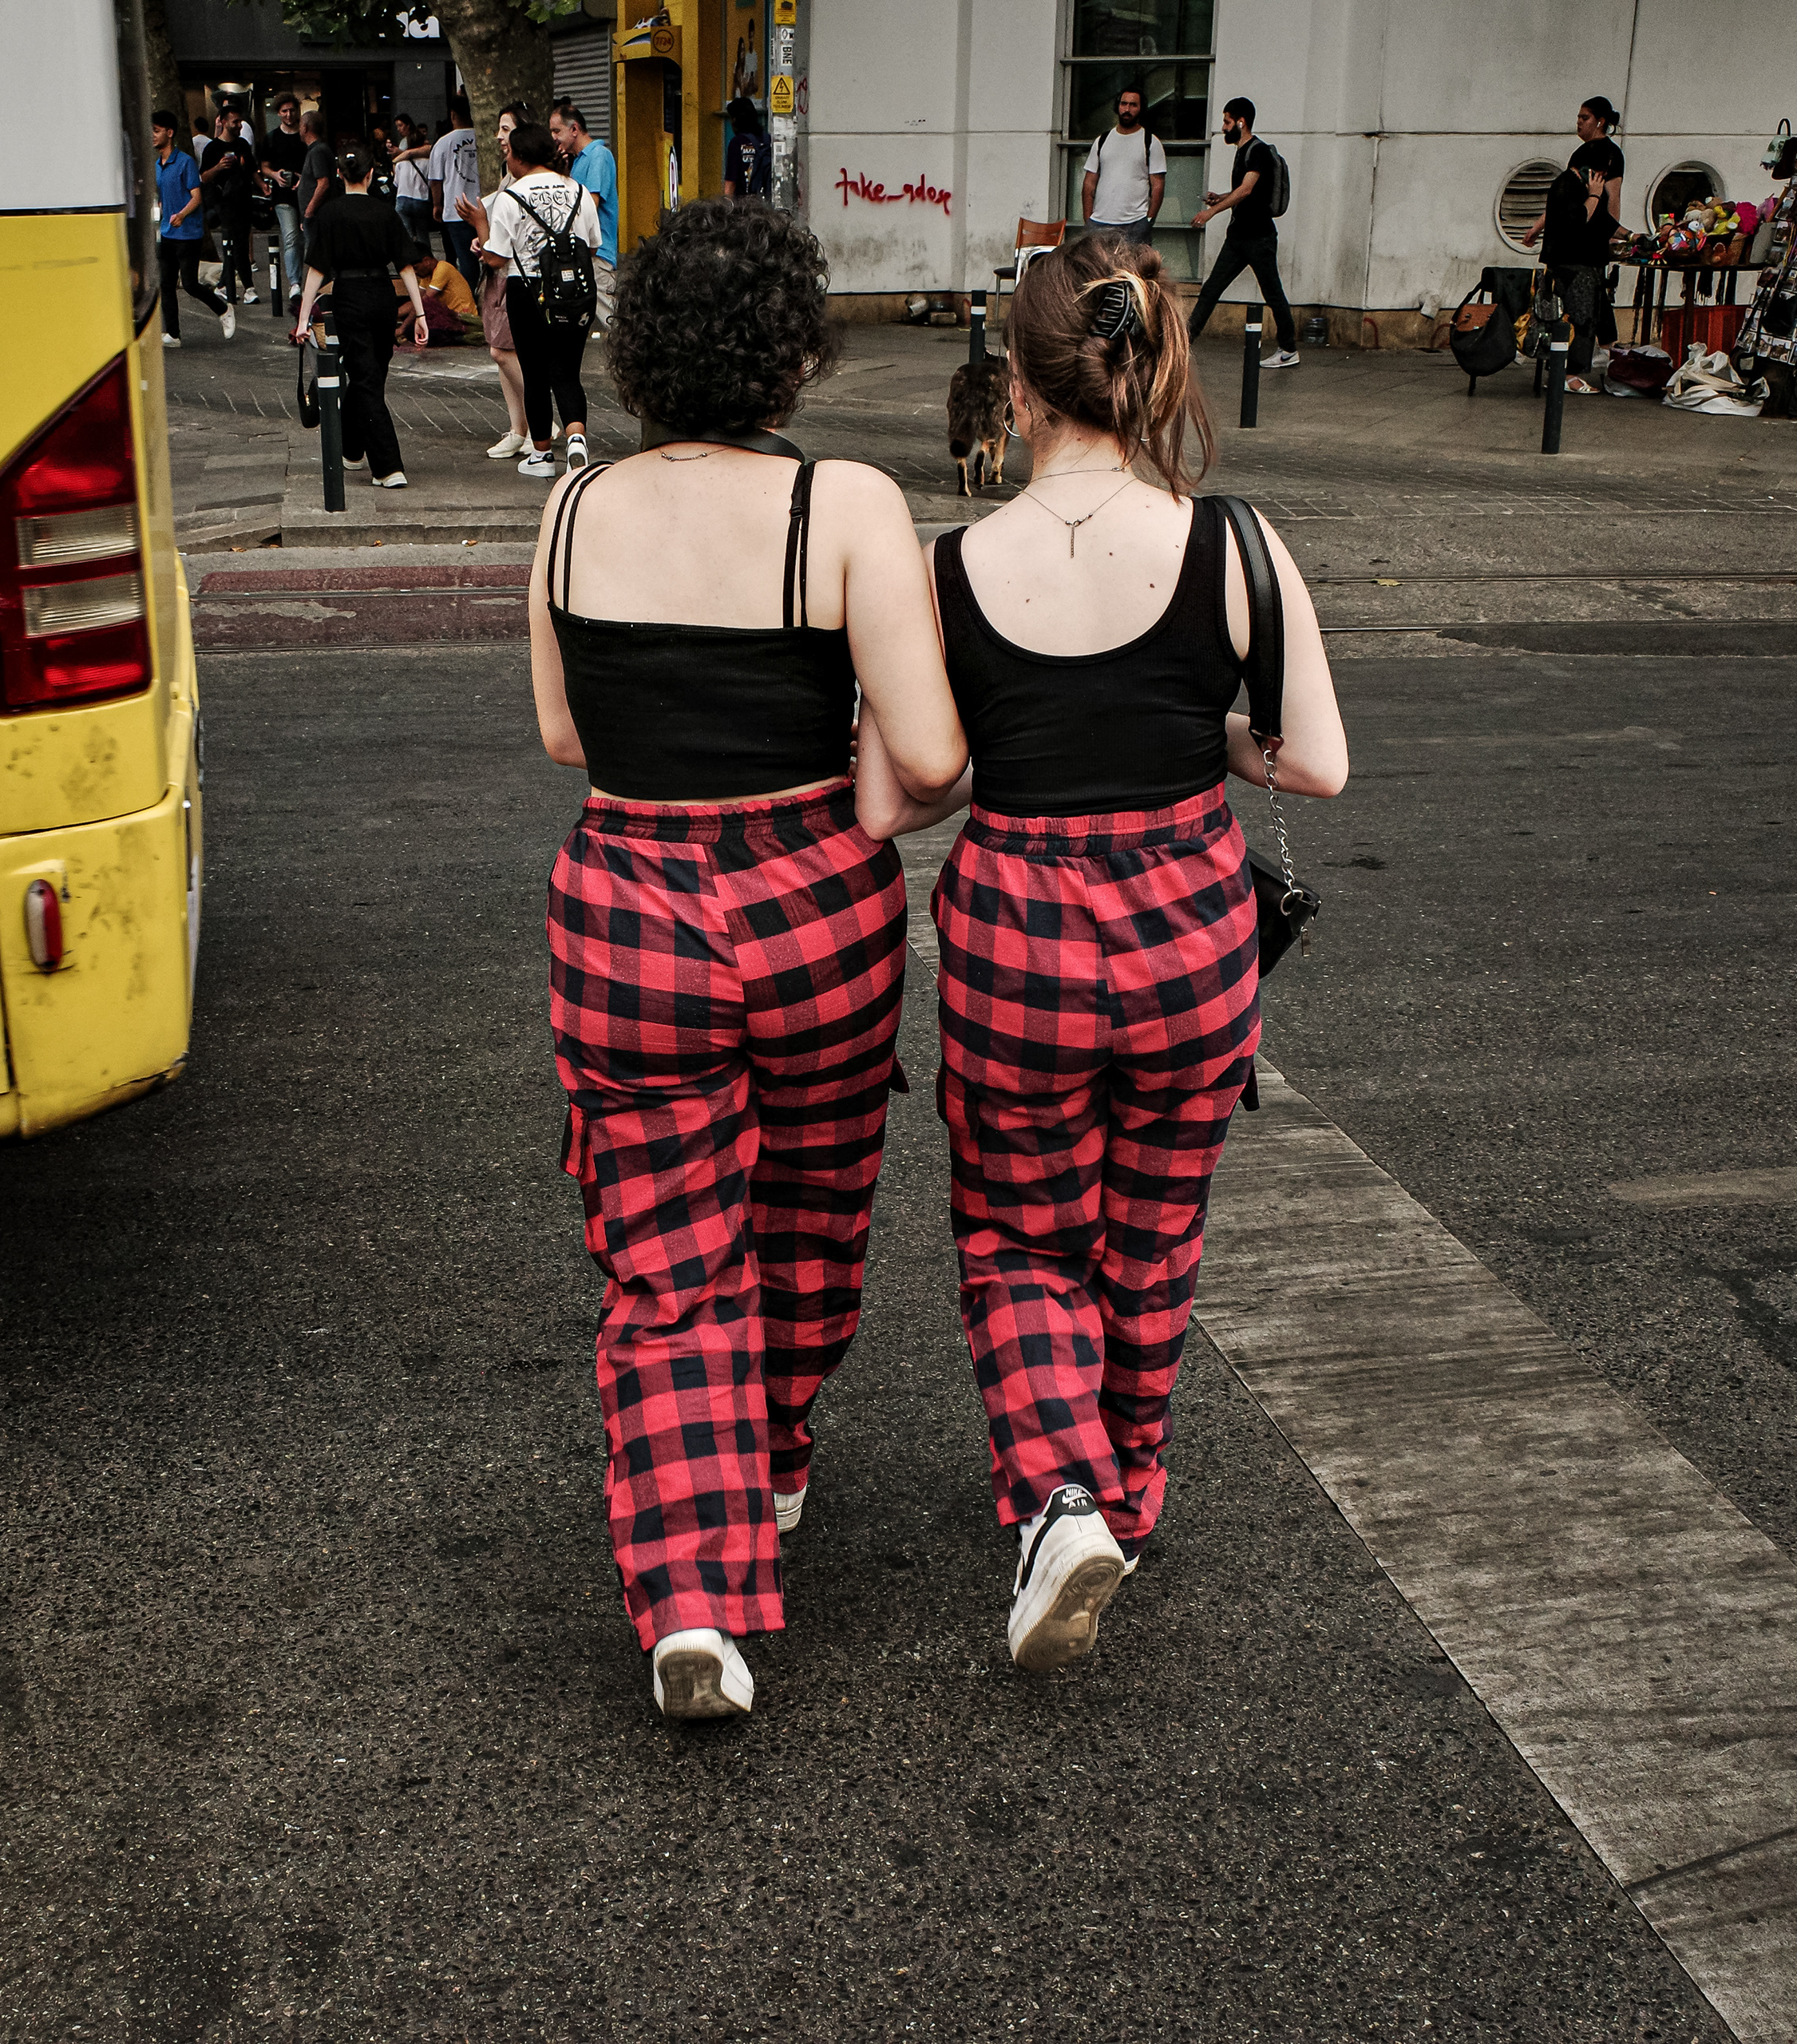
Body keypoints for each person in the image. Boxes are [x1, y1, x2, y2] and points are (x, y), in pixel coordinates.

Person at [863, 233, 1347, 1675]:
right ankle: (1125, 1490)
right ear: (1146, 372)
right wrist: (1200, 734)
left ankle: (1057, 1495)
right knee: (1153, 1232)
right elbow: (1316, 764)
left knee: (1021, 1236)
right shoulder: (1239, 544)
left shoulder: (950, 569)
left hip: (1016, 931)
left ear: (1017, 389)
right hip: (1192, 931)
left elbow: (897, 797)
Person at [528, 198, 964, 1721]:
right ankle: (770, 1451)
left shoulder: (570, 508)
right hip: (814, 904)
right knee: (812, 1205)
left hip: (626, 905)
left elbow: (565, 736)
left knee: (664, 1260)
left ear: (640, 351)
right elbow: (929, 757)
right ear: (794, 353)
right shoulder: (845, 505)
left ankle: (690, 1601)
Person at [295, 151, 430, 489]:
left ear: (340, 174)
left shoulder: (329, 213)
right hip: (382, 296)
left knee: (365, 376)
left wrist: (303, 318)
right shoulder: (385, 211)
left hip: (349, 297)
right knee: (371, 375)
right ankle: (381, 462)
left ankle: (361, 452)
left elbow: (316, 270)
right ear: (370, 174)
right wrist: (420, 313)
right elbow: (406, 266)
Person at [485, 122, 603, 478]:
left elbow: (497, 257)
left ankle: (541, 455)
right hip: (574, 291)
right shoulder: (577, 190)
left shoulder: (510, 196)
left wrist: (479, 230)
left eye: (508, 152)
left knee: (535, 374)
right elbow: (592, 245)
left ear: (520, 156)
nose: (506, 158)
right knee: (567, 372)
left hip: (528, 291)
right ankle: (577, 439)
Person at [1186, 96, 1296, 369]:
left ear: (1241, 122)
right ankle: (1184, 342)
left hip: (1259, 238)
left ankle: (1289, 350)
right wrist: (1221, 197)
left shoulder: (1258, 151)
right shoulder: (1243, 151)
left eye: (1227, 122)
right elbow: (1244, 192)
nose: (1223, 127)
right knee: (1211, 289)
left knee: (1273, 293)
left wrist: (1212, 212)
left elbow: (1247, 190)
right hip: (1238, 238)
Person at [1531, 96, 1624, 393]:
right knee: (1579, 304)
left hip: (1589, 239)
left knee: (1591, 301)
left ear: (1600, 121)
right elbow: (1565, 203)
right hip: (1572, 241)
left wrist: (1611, 233)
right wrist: (1539, 226)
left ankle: (1605, 353)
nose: (1579, 123)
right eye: (1579, 117)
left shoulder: (1610, 155)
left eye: (1585, 118)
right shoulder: (1579, 158)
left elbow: (1612, 198)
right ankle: (1582, 362)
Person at [464, 104, 536, 459]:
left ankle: (541, 421)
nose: (498, 137)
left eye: (505, 129)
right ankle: (518, 429)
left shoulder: (528, 182)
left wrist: (481, 226)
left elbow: (511, 243)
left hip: (516, 275)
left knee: (503, 351)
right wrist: (483, 236)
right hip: (498, 274)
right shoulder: (508, 177)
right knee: (500, 352)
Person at [152, 110, 232, 347]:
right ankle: (173, 334)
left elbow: (197, 197)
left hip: (188, 233)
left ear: (170, 132)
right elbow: (165, 196)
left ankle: (223, 309)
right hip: (167, 232)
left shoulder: (185, 162)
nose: (152, 135)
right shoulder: (158, 165)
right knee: (166, 285)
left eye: (156, 131)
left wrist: (182, 214)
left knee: (190, 285)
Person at [550, 99, 620, 327]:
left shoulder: (598, 155)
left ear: (574, 129)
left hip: (598, 253)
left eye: (557, 131)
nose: (553, 137)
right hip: (582, 251)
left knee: (613, 317)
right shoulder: (577, 161)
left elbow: (591, 203)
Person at [1079, 85, 1165, 248]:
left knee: (1134, 265)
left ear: (1141, 109)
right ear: (1117, 106)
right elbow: (1089, 182)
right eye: (1124, 104)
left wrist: (1149, 219)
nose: (1127, 109)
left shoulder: (1151, 142)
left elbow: (1158, 185)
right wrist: (1088, 219)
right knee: (1097, 265)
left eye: (1133, 105)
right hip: (1099, 223)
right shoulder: (1102, 140)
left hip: (1135, 223)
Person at [204, 104, 259, 303]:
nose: (239, 126)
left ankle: (222, 285)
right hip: (224, 203)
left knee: (237, 244)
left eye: (240, 122)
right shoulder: (212, 148)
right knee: (238, 245)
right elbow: (204, 177)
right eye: (235, 122)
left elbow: (252, 170)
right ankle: (249, 288)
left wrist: (263, 186)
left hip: (244, 200)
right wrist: (219, 167)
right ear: (223, 122)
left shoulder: (243, 145)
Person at [256, 96, 310, 299]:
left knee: (306, 239)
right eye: (284, 111)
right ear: (278, 113)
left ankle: (310, 282)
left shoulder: (306, 136)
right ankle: (295, 283)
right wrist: (275, 175)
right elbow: (264, 166)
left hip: (306, 195)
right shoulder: (271, 138)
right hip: (282, 196)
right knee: (291, 237)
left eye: (292, 110)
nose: (289, 115)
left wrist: (304, 178)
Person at [427, 98, 483, 275]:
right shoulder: (484, 138)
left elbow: (436, 180)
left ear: (453, 116)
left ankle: (470, 291)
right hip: (484, 208)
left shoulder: (443, 143)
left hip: (456, 210)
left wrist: (437, 205)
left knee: (466, 260)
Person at [389, 113, 438, 254]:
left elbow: (396, 183)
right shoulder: (428, 163)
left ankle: (411, 259)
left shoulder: (401, 163)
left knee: (407, 236)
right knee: (423, 234)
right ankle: (427, 257)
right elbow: (431, 182)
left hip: (403, 199)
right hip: (420, 200)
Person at [297, 110, 336, 276]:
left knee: (317, 260)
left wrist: (309, 211)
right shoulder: (318, 150)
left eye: (300, 125)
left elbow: (323, 183)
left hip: (317, 216)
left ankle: (322, 290)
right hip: (317, 215)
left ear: (305, 127)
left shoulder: (317, 151)